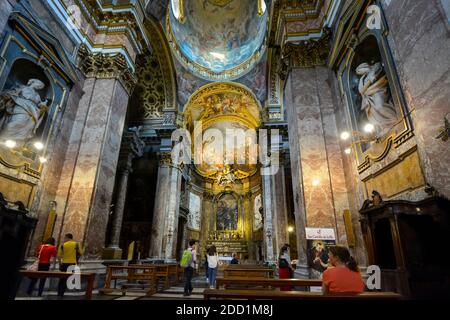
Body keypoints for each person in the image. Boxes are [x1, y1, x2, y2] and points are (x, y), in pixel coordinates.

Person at [0, 78, 48, 146]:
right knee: (14, 124)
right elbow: (13, 92)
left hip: (32, 111)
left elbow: (39, 104)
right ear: (32, 82)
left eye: (40, 86)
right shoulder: (23, 87)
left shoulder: (37, 95)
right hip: (21, 105)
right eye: (38, 84)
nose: (39, 87)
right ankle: (2, 137)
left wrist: (43, 105)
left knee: (28, 125)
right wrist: (9, 94)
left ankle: (15, 143)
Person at [57, 233, 83, 298]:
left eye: (64, 238)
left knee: (62, 279)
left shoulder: (62, 245)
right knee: (69, 278)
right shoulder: (77, 244)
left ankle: (60, 293)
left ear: (67, 237)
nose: (64, 239)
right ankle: (66, 291)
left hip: (64, 263)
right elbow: (81, 253)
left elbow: (59, 256)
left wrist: (60, 263)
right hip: (72, 264)